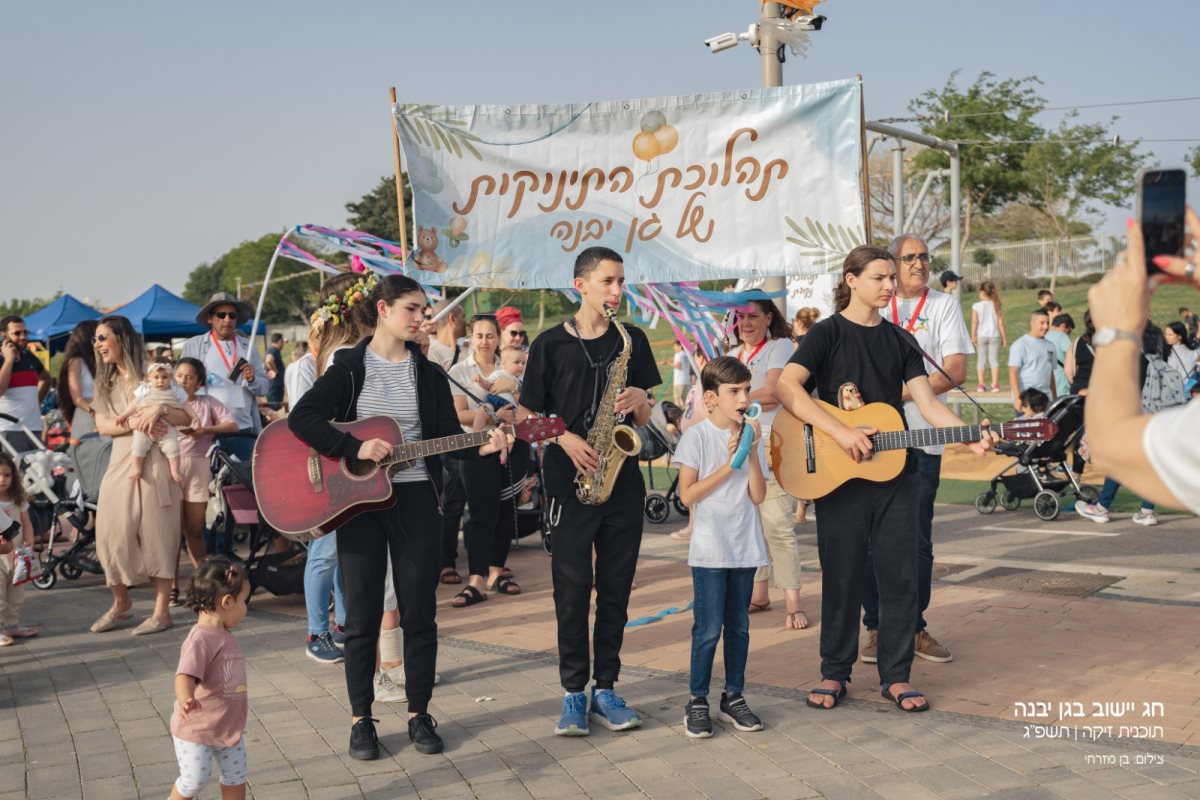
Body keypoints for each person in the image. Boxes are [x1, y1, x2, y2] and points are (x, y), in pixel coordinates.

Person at [288, 274, 510, 760]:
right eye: (412, 308)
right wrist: (354, 446)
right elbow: (302, 419)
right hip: (359, 504)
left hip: (414, 501)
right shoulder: (350, 365)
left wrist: (486, 446)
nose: (420, 317)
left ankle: (419, 712)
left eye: (424, 309)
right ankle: (361, 719)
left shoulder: (427, 372)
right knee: (363, 616)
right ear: (384, 310)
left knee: (420, 613)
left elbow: (450, 442)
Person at [774, 245, 996, 714]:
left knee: (900, 578)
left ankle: (896, 676)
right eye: (879, 277)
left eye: (892, 278)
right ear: (851, 280)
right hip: (837, 477)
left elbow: (928, 405)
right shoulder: (826, 334)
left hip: (898, 473)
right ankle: (835, 671)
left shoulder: (901, 339)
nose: (890, 285)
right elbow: (788, 387)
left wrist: (970, 436)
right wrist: (839, 430)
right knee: (842, 576)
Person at [518, 246, 660, 736]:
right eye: (608, 282)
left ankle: (607, 687)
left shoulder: (632, 340)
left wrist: (643, 400)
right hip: (568, 480)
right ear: (580, 284)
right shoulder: (549, 344)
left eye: (621, 281)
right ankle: (573, 692)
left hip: (621, 480)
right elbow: (522, 416)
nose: (617, 291)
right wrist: (563, 436)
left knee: (616, 589)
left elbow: (644, 417)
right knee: (573, 589)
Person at [862, 234, 972, 666]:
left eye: (925, 257)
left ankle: (914, 626)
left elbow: (956, 369)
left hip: (924, 436)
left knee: (917, 540)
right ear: (890, 263)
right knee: (871, 539)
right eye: (909, 258)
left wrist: (900, 395)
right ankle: (875, 628)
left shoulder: (942, 305)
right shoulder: (872, 304)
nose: (919, 264)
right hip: (873, 441)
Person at [674, 356, 768, 739]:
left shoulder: (750, 432)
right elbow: (686, 495)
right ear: (711, 398)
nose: (743, 397)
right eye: (734, 391)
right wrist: (729, 465)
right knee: (708, 628)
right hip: (711, 549)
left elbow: (758, 495)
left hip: (745, 545)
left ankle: (734, 696)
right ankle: (697, 700)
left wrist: (752, 450)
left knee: (740, 627)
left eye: (746, 389)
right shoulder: (696, 436)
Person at [1085, 209, 1200, 515]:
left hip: (1142, 398)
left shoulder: (1141, 334)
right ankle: (1144, 510)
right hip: (1158, 397)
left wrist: (1113, 332)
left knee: (1139, 460)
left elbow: (1108, 446)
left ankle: (1109, 507)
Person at [90, 315, 193, 636]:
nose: (98, 344)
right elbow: (102, 426)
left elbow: (185, 417)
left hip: (159, 461)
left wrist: (159, 410)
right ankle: (121, 602)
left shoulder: (154, 374)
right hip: (122, 459)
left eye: (103, 337)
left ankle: (162, 612)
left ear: (121, 338)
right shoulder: (104, 382)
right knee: (110, 531)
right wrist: (134, 421)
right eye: (96, 339)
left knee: (158, 532)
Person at [448, 314, 529, 606]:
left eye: (491, 335)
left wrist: (513, 408)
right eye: (479, 335)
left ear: (499, 337)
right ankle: (476, 579)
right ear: (470, 338)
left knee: (507, 509)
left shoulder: (511, 365)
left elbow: (526, 407)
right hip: (477, 448)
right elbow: (458, 414)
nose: (485, 341)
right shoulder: (459, 370)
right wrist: (497, 416)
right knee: (482, 515)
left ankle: (497, 572)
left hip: (513, 445)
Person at [737, 298, 807, 630]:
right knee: (752, 525)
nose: (746, 322)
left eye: (753, 316)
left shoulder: (779, 346)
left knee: (778, 525)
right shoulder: (735, 354)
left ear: (769, 318)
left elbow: (775, 391)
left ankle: (793, 603)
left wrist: (733, 396)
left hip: (772, 445)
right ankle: (760, 594)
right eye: (741, 316)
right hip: (739, 447)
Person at [168, 556, 250, 800]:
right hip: (198, 728)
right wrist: (186, 699)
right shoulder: (200, 640)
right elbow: (184, 675)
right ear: (227, 602)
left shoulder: (223, 633)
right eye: (244, 602)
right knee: (194, 780)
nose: (245, 609)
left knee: (236, 776)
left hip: (228, 727)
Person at [171, 358, 237, 605]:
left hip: (198, 466)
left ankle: (201, 586)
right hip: (170, 467)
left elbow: (232, 424)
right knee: (172, 534)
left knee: (194, 531)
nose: (183, 381)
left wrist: (206, 431)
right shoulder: (166, 404)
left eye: (189, 377)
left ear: (199, 382)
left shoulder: (207, 403)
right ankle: (172, 587)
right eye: (179, 375)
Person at [180, 293, 269, 462]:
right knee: (210, 485)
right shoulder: (194, 345)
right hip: (209, 430)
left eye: (232, 315)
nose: (227, 319)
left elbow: (265, 387)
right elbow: (181, 388)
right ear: (209, 318)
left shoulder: (248, 348)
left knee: (243, 485)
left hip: (244, 429)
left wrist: (252, 380)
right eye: (221, 315)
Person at [114, 362, 200, 484]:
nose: (160, 381)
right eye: (156, 377)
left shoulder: (176, 390)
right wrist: (123, 415)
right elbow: (134, 404)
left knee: (173, 447)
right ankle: (137, 469)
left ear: (171, 378)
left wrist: (195, 416)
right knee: (138, 446)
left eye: (164, 377)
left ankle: (175, 470)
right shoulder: (145, 388)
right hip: (144, 426)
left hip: (166, 427)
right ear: (149, 378)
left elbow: (186, 405)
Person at [58, 320, 111, 516]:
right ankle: (83, 514)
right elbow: (77, 397)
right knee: (87, 462)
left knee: (104, 461)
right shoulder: (76, 361)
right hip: (87, 414)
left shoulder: (100, 361)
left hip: (102, 412)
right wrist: (94, 411)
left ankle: (99, 511)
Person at [0, 452, 37, 645]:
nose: (2, 479)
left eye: (7, 475)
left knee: (16, 593)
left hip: (17, 555)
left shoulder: (18, 500)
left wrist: (29, 539)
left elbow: (27, 523)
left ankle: (11, 625)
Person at [0, 315, 52, 452]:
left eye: (25, 332)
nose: (23, 336)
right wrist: (8, 360)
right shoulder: (2, 359)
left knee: (39, 470)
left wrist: (37, 401)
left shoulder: (28, 355)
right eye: (17, 333)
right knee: (17, 472)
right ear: (3, 335)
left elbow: (46, 378)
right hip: (9, 429)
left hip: (33, 427)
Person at [1008, 309, 1058, 413]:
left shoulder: (1051, 346)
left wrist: (1055, 398)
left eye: (1047, 323)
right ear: (1032, 323)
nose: (1046, 326)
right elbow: (1013, 372)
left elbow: (1050, 373)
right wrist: (1018, 398)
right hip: (1027, 400)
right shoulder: (1020, 345)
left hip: (1046, 400)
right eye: (1042, 323)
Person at [970, 282, 1006, 393]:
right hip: (994, 335)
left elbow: (974, 322)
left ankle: (981, 384)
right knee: (994, 360)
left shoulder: (976, 306)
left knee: (981, 360)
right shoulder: (996, 304)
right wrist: (1004, 338)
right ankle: (995, 384)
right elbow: (1000, 323)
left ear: (982, 292)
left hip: (981, 335)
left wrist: (973, 335)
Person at [1045, 313, 1075, 400]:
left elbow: (1050, 361)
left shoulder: (1044, 336)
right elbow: (1073, 354)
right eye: (1068, 331)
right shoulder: (1061, 336)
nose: (1068, 334)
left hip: (1045, 382)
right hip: (1060, 384)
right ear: (1063, 326)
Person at [262, 332, 286, 411]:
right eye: (282, 341)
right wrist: (275, 371)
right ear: (279, 341)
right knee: (273, 409)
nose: (283, 344)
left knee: (275, 408)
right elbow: (269, 360)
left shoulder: (273, 350)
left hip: (275, 385)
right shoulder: (273, 350)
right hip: (274, 386)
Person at [671, 341, 691, 406]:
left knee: (677, 399)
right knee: (684, 400)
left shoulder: (678, 354)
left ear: (680, 346)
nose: (674, 348)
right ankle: (687, 414)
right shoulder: (686, 354)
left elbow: (678, 366)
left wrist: (668, 363)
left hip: (679, 381)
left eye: (675, 346)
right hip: (686, 380)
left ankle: (677, 415)